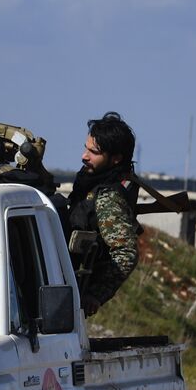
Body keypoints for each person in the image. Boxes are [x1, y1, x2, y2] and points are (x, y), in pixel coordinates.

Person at [67, 111, 139, 316]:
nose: (84, 156)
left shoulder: (108, 197)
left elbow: (126, 253)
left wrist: (96, 294)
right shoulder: (91, 182)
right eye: (85, 148)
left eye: (94, 152)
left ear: (115, 159)